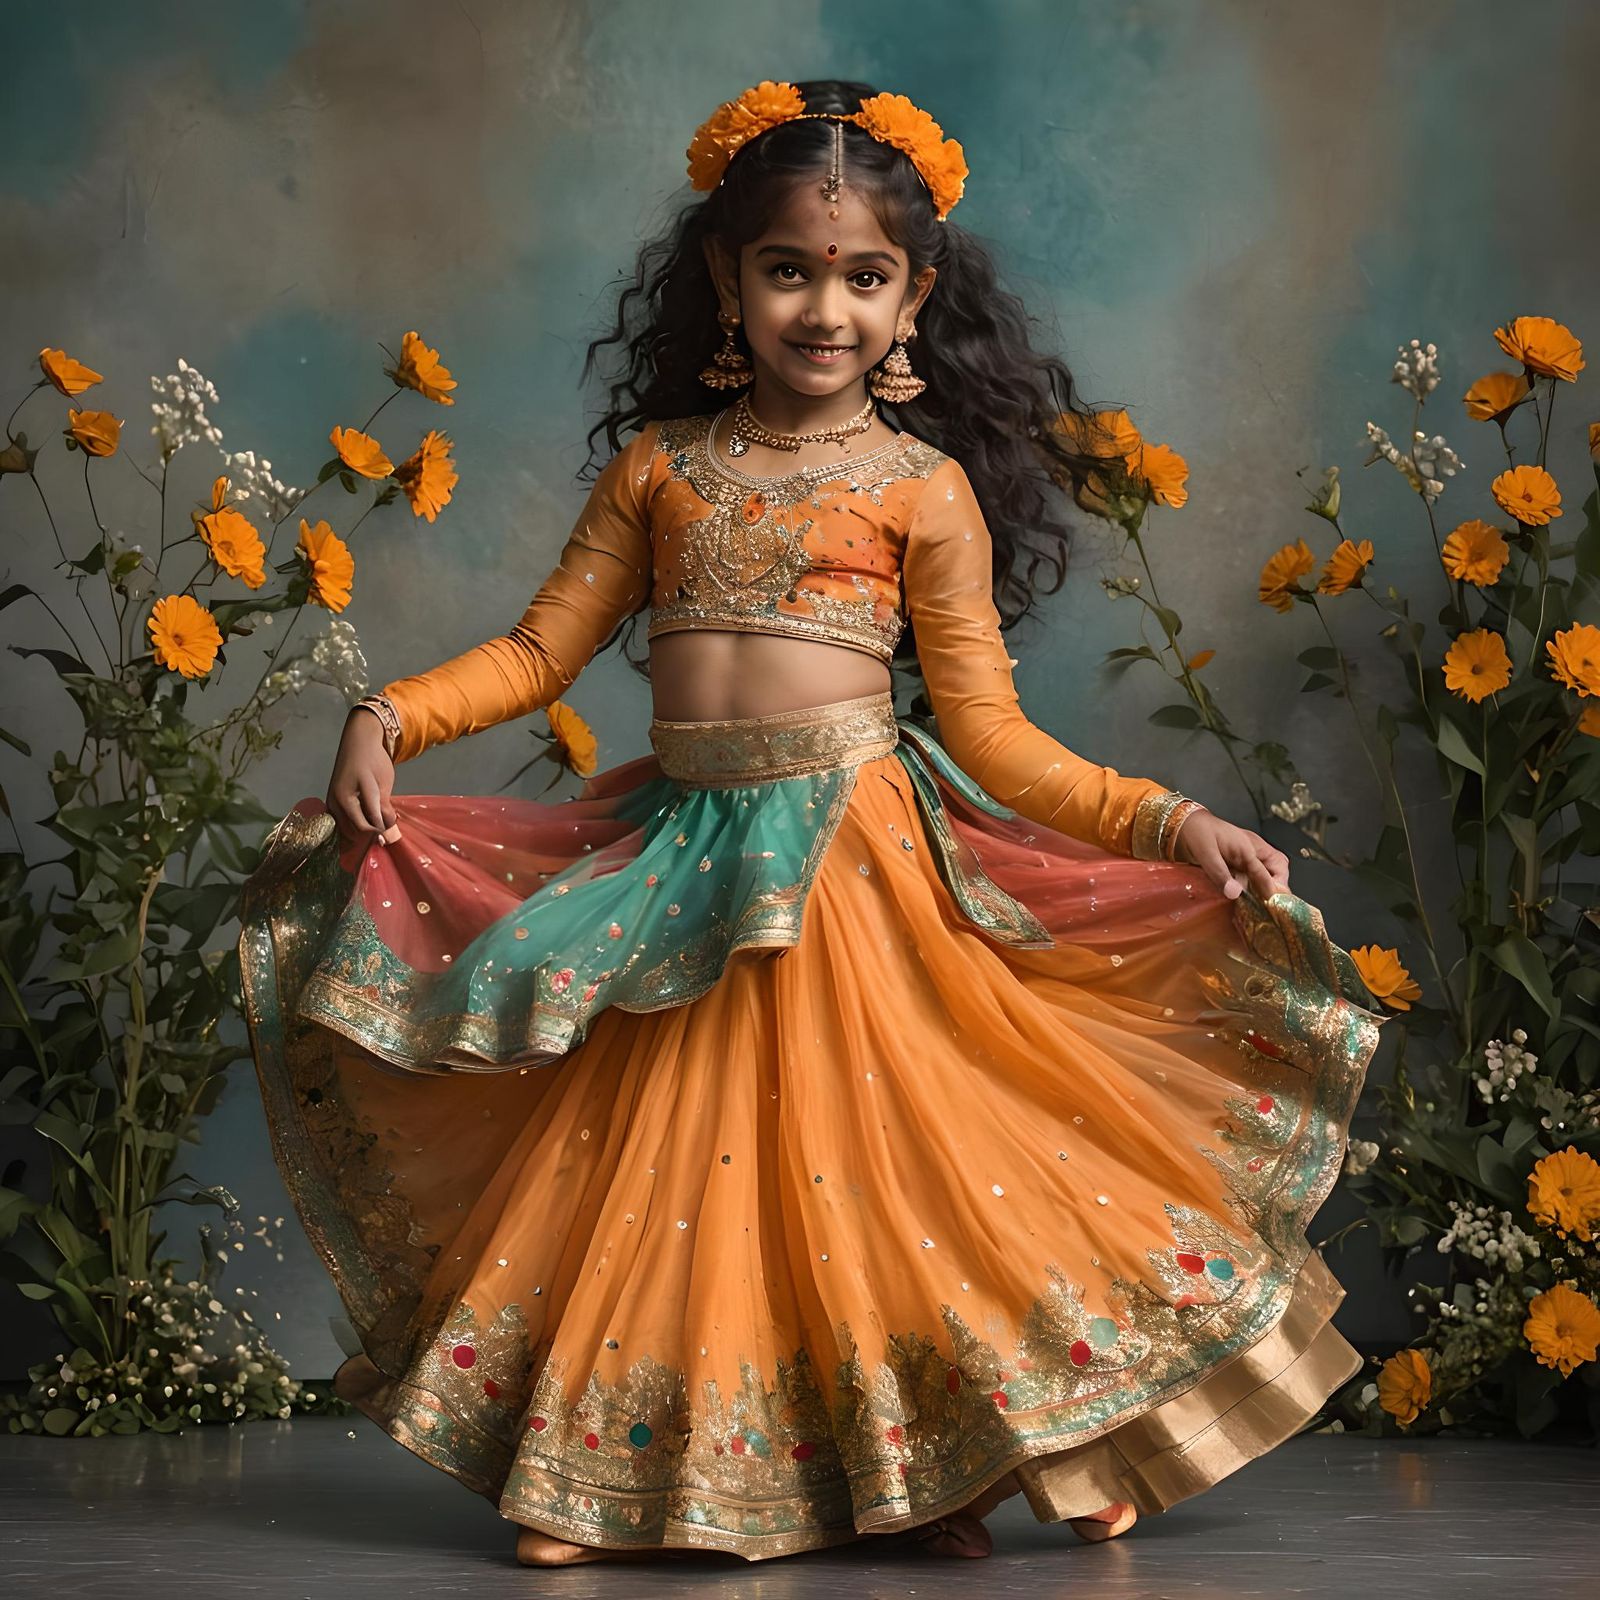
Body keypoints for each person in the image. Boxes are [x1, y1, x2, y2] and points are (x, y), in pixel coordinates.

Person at [237, 78, 1385, 1567]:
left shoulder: (924, 491)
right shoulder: (659, 470)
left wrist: (1176, 824)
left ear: (914, 301)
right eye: (790, 269)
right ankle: (604, 1477)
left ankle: (952, 1468)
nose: (824, 308)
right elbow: (537, 658)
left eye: (864, 277)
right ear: (728, 280)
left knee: (907, 1180)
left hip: (857, 870)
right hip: (683, 863)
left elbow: (995, 741)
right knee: (667, 1177)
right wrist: (388, 710)